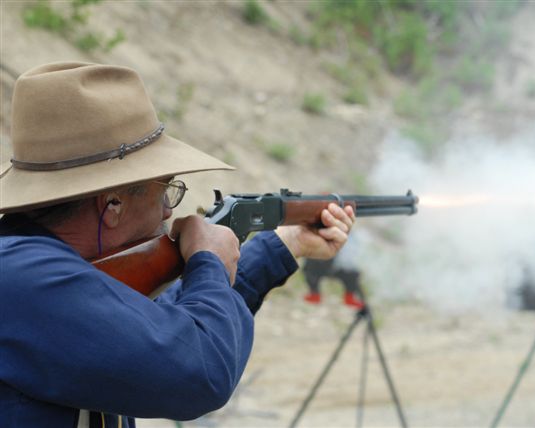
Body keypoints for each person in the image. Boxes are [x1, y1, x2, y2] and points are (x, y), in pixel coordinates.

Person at [0, 62, 355, 428]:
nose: (169, 210)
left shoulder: (31, 271)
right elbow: (201, 370)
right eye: (165, 189)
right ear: (113, 206)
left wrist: (282, 245)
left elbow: (155, 335)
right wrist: (206, 261)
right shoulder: (23, 279)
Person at [302, 233, 365, 309]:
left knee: (353, 273)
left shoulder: (349, 236)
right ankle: (314, 294)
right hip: (321, 264)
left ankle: (349, 297)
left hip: (338, 265)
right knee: (309, 266)